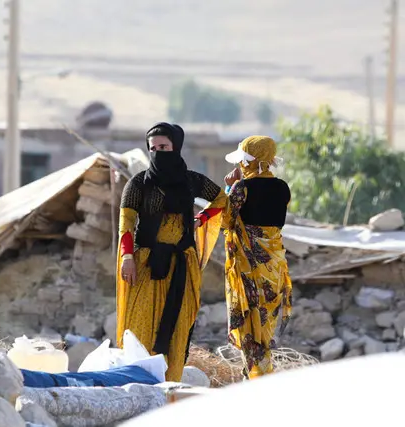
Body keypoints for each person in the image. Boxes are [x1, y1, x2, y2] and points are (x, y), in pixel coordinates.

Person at [116, 122, 227, 382]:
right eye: (153, 148)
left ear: (175, 147)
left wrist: (203, 217)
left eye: (163, 147)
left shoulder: (192, 181)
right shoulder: (138, 184)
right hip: (146, 265)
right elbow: (126, 224)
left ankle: (170, 388)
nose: (157, 152)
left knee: (178, 329)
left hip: (182, 266)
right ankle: (139, 386)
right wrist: (127, 257)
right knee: (141, 328)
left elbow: (221, 199)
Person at [222, 135, 293, 379]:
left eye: (243, 160)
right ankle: (261, 376)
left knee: (251, 325)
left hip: (249, 266)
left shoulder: (242, 188)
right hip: (274, 266)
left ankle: (258, 380)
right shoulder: (283, 188)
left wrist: (229, 188)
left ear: (251, 160)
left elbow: (226, 221)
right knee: (265, 323)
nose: (241, 164)